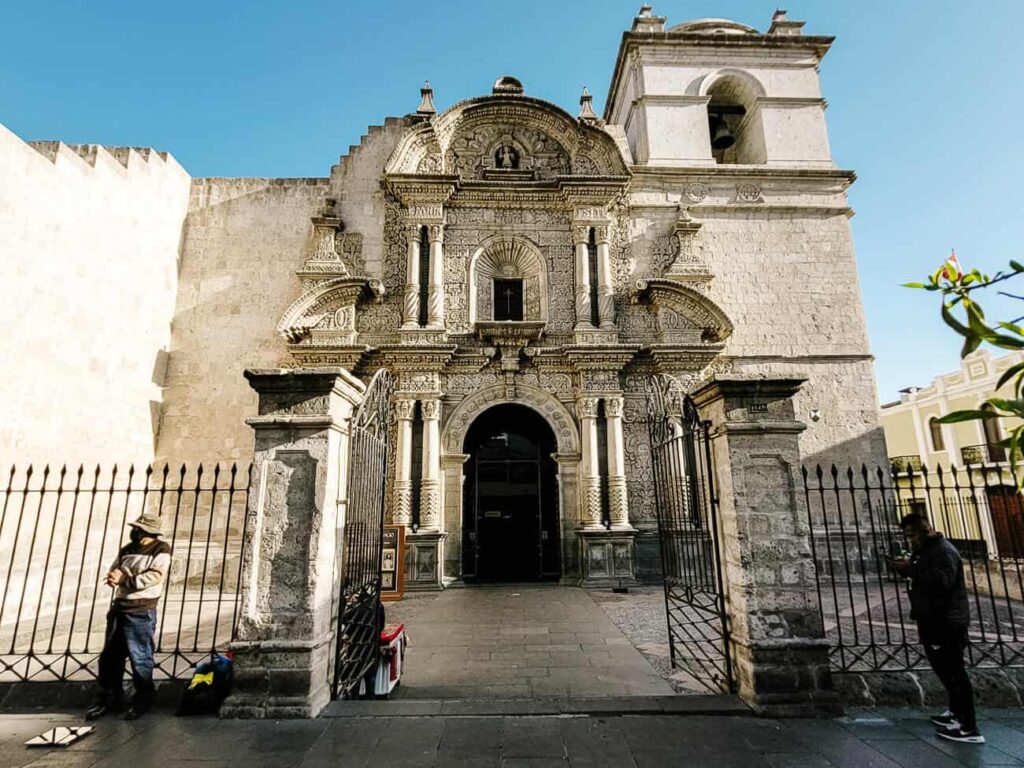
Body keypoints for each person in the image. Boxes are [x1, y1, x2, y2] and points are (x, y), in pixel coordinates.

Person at [890, 513, 983, 744]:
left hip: (946, 621)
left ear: (925, 530)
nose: (909, 540)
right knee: (943, 669)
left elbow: (941, 582)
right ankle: (955, 713)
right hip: (932, 619)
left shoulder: (943, 551)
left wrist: (911, 570)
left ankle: (969, 729)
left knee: (955, 672)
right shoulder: (926, 550)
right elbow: (923, 574)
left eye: (911, 535)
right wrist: (908, 567)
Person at [86, 512, 172, 721]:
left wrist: (125, 578)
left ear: (149, 532)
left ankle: (143, 699)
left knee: (140, 658)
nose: (135, 531)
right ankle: (110, 697)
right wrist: (115, 576)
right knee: (110, 657)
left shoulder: (160, 549)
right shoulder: (127, 549)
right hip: (120, 608)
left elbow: (154, 576)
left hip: (141, 610)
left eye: (139, 529)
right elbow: (115, 568)